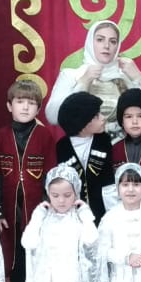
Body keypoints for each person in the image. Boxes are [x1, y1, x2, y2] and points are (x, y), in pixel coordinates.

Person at [0, 78, 57, 282]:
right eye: (20, 102)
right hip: (10, 211)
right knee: (15, 262)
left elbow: (50, 173)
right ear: (9, 105)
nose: (25, 107)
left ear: (38, 108)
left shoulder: (45, 136)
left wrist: (48, 208)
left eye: (31, 103)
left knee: (38, 259)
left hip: (37, 210)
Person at [45, 19, 141, 143]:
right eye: (100, 40)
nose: (106, 46)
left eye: (113, 41)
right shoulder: (71, 75)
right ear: (90, 42)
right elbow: (53, 117)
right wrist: (83, 83)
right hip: (84, 150)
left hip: (123, 150)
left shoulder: (126, 76)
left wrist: (138, 78)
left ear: (117, 46)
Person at [55, 91, 115, 223]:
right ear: (83, 123)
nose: (103, 118)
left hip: (103, 213)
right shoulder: (62, 147)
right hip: (73, 217)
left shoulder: (104, 141)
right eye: (97, 116)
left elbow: (109, 182)